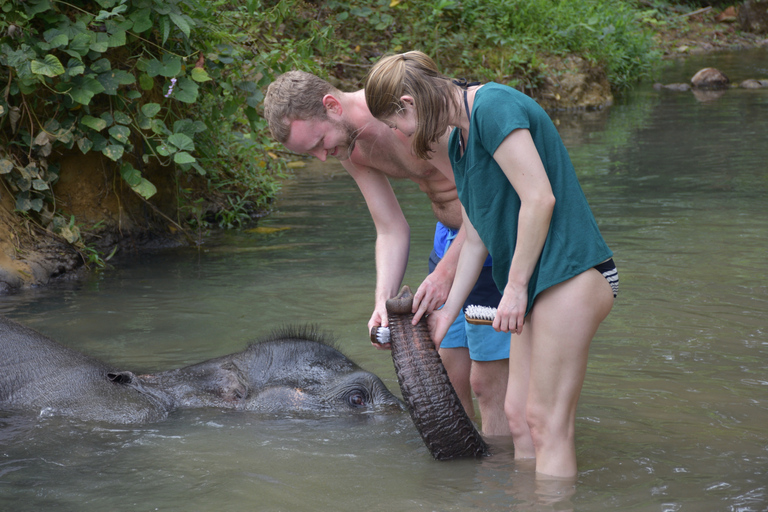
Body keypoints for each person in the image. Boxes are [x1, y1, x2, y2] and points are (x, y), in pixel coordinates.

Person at [363, 51, 618, 478]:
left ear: (408, 103)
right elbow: (478, 234)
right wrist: (446, 312)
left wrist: (514, 288)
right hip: (538, 284)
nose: (398, 134)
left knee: (545, 422)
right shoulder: (457, 143)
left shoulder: (494, 107)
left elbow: (539, 199)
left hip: (570, 274)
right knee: (517, 417)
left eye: (394, 124)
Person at [263, 71, 511, 436]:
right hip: (449, 239)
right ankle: (466, 481)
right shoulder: (349, 146)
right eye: (310, 152)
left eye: (319, 142)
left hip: (492, 236)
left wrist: (444, 274)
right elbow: (390, 227)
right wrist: (382, 301)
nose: (321, 157)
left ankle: (502, 479)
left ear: (332, 106)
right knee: (447, 378)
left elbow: (488, 200)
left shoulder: (402, 110)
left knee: (485, 384)